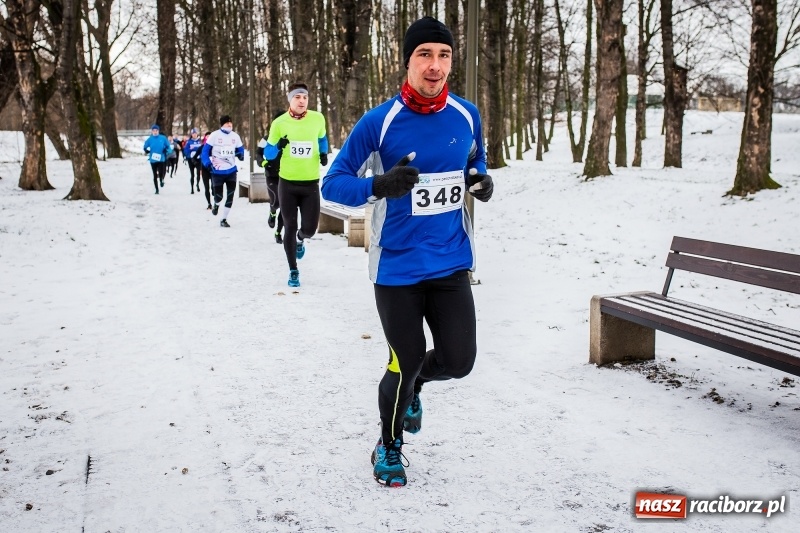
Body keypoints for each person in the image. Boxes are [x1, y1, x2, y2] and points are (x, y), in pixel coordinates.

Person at [321, 16, 494, 487]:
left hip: (450, 261)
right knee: (406, 357)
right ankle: (389, 444)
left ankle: (417, 383)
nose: (435, 65)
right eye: (425, 55)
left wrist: (481, 180)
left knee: (459, 362)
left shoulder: (466, 115)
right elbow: (332, 185)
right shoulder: (378, 122)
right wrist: (378, 185)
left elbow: (475, 159)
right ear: (407, 61)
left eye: (444, 55)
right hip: (396, 267)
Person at [262, 83, 329, 287]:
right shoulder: (279, 123)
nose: (302, 101)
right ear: (290, 99)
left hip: (310, 184)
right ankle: (293, 271)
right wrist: (278, 146)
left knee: (310, 229)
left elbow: (322, 139)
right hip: (287, 183)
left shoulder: (317, 118)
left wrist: (323, 153)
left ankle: (301, 238)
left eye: (305, 97)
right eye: (297, 97)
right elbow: (268, 153)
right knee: (289, 227)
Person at [201, 116, 244, 227]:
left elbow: (240, 150)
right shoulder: (214, 135)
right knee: (218, 196)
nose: (229, 124)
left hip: (231, 171)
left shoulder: (235, 136)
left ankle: (223, 219)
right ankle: (216, 204)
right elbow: (205, 152)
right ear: (222, 124)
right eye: (226, 123)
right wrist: (207, 163)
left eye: (230, 122)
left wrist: (241, 155)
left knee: (230, 196)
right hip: (217, 172)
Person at [257, 111, 288, 244]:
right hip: (271, 175)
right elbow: (258, 154)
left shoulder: (289, 138)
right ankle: (272, 212)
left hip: (286, 176)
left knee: (285, 206)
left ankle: (278, 232)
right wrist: (264, 163)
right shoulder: (266, 138)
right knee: (276, 202)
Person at [143, 124, 173, 194]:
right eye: (153, 131)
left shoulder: (163, 138)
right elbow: (145, 146)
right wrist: (146, 150)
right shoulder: (150, 139)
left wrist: (167, 151)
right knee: (154, 174)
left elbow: (169, 147)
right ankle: (156, 189)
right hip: (153, 159)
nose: (155, 132)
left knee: (161, 172)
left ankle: (161, 180)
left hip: (161, 159)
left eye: (156, 130)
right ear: (152, 131)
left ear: (158, 131)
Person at [183, 128, 204, 194]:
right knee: (192, 174)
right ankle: (192, 188)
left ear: (197, 134)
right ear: (191, 134)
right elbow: (186, 150)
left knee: (198, 173)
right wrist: (189, 155)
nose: (194, 135)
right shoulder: (189, 142)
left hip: (198, 159)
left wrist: (201, 155)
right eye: (193, 134)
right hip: (191, 160)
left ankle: (197, 184)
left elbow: (202, 149)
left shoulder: (200, 141)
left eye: (195, 133)